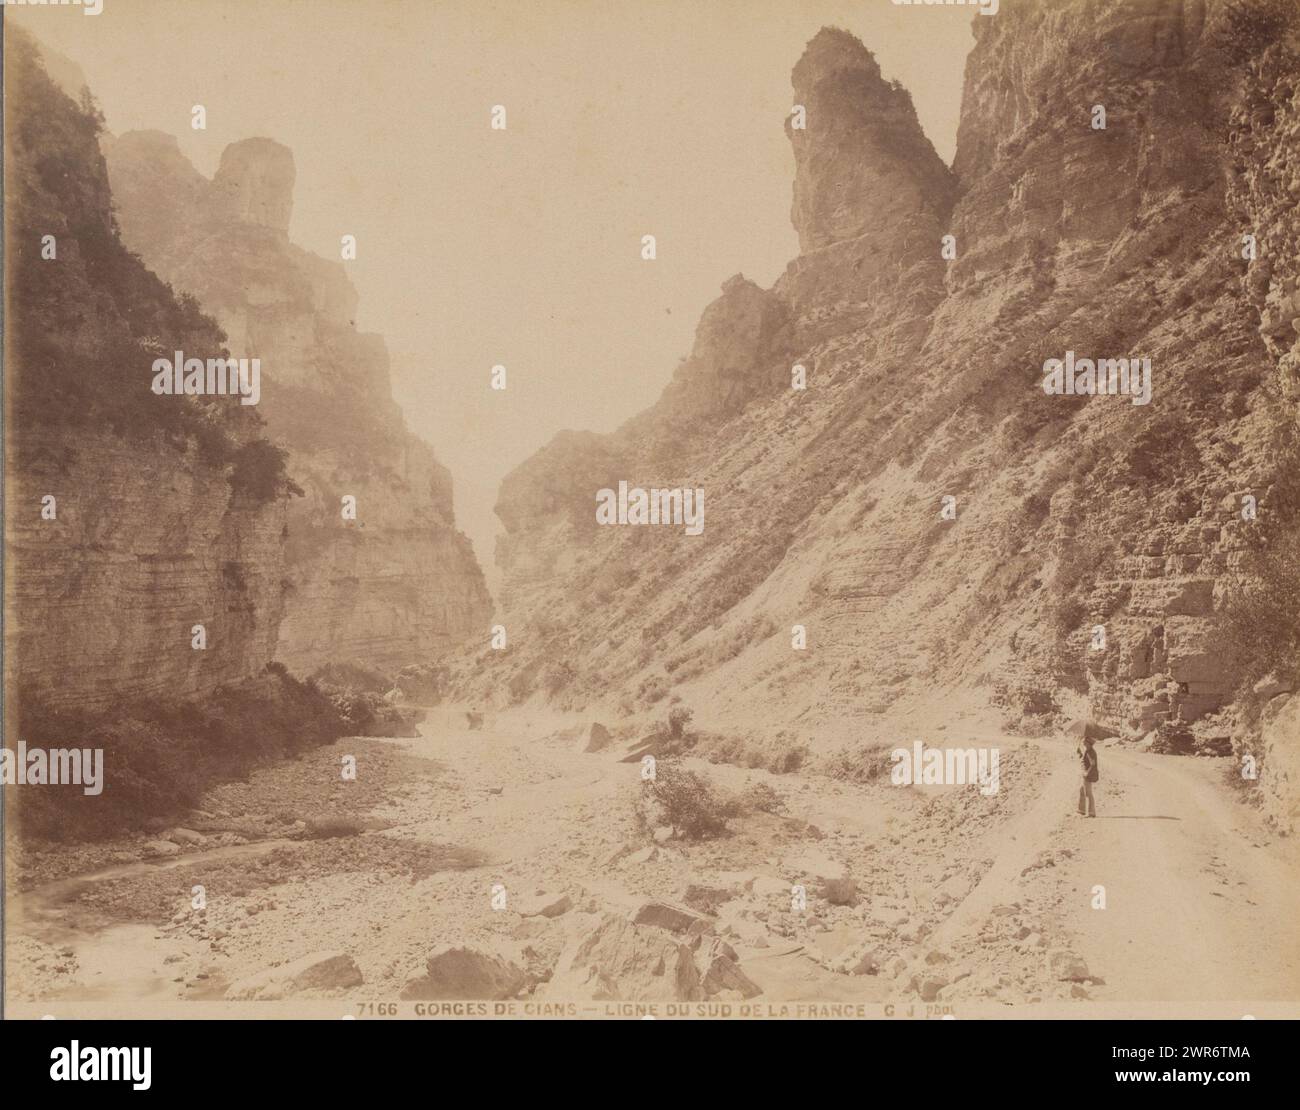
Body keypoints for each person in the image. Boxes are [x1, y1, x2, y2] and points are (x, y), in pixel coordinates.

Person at [1077, 736, 1099, 817]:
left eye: (1085, 742)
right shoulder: (1088, 751)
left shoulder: (1090, 752)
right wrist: (1079, 754)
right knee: (1082, 790)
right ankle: (1081, 810)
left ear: (1088, 743)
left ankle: (1091, 812)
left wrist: (1087, 773)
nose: (1083, 743)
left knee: (1088, 793)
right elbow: (1084, 761)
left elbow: (1092, 764)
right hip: (1087, 774)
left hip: (1089, 775)